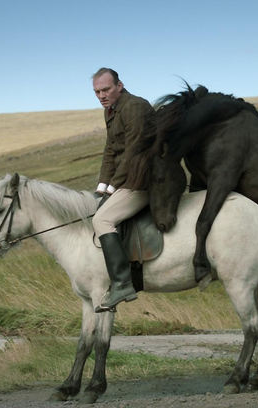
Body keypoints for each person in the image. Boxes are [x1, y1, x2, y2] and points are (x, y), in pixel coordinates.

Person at [90, 68, 155, 313]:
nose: (102, 95)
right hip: (126, 180)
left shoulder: (135, 107)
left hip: (143, 181)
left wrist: (112, 189)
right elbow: (110, 152)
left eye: (106, 89)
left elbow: (133, 153)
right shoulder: (111, 111)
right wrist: (101, 188)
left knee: (103, 219)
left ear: (119, 85)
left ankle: (121, 283)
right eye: (97, 91)